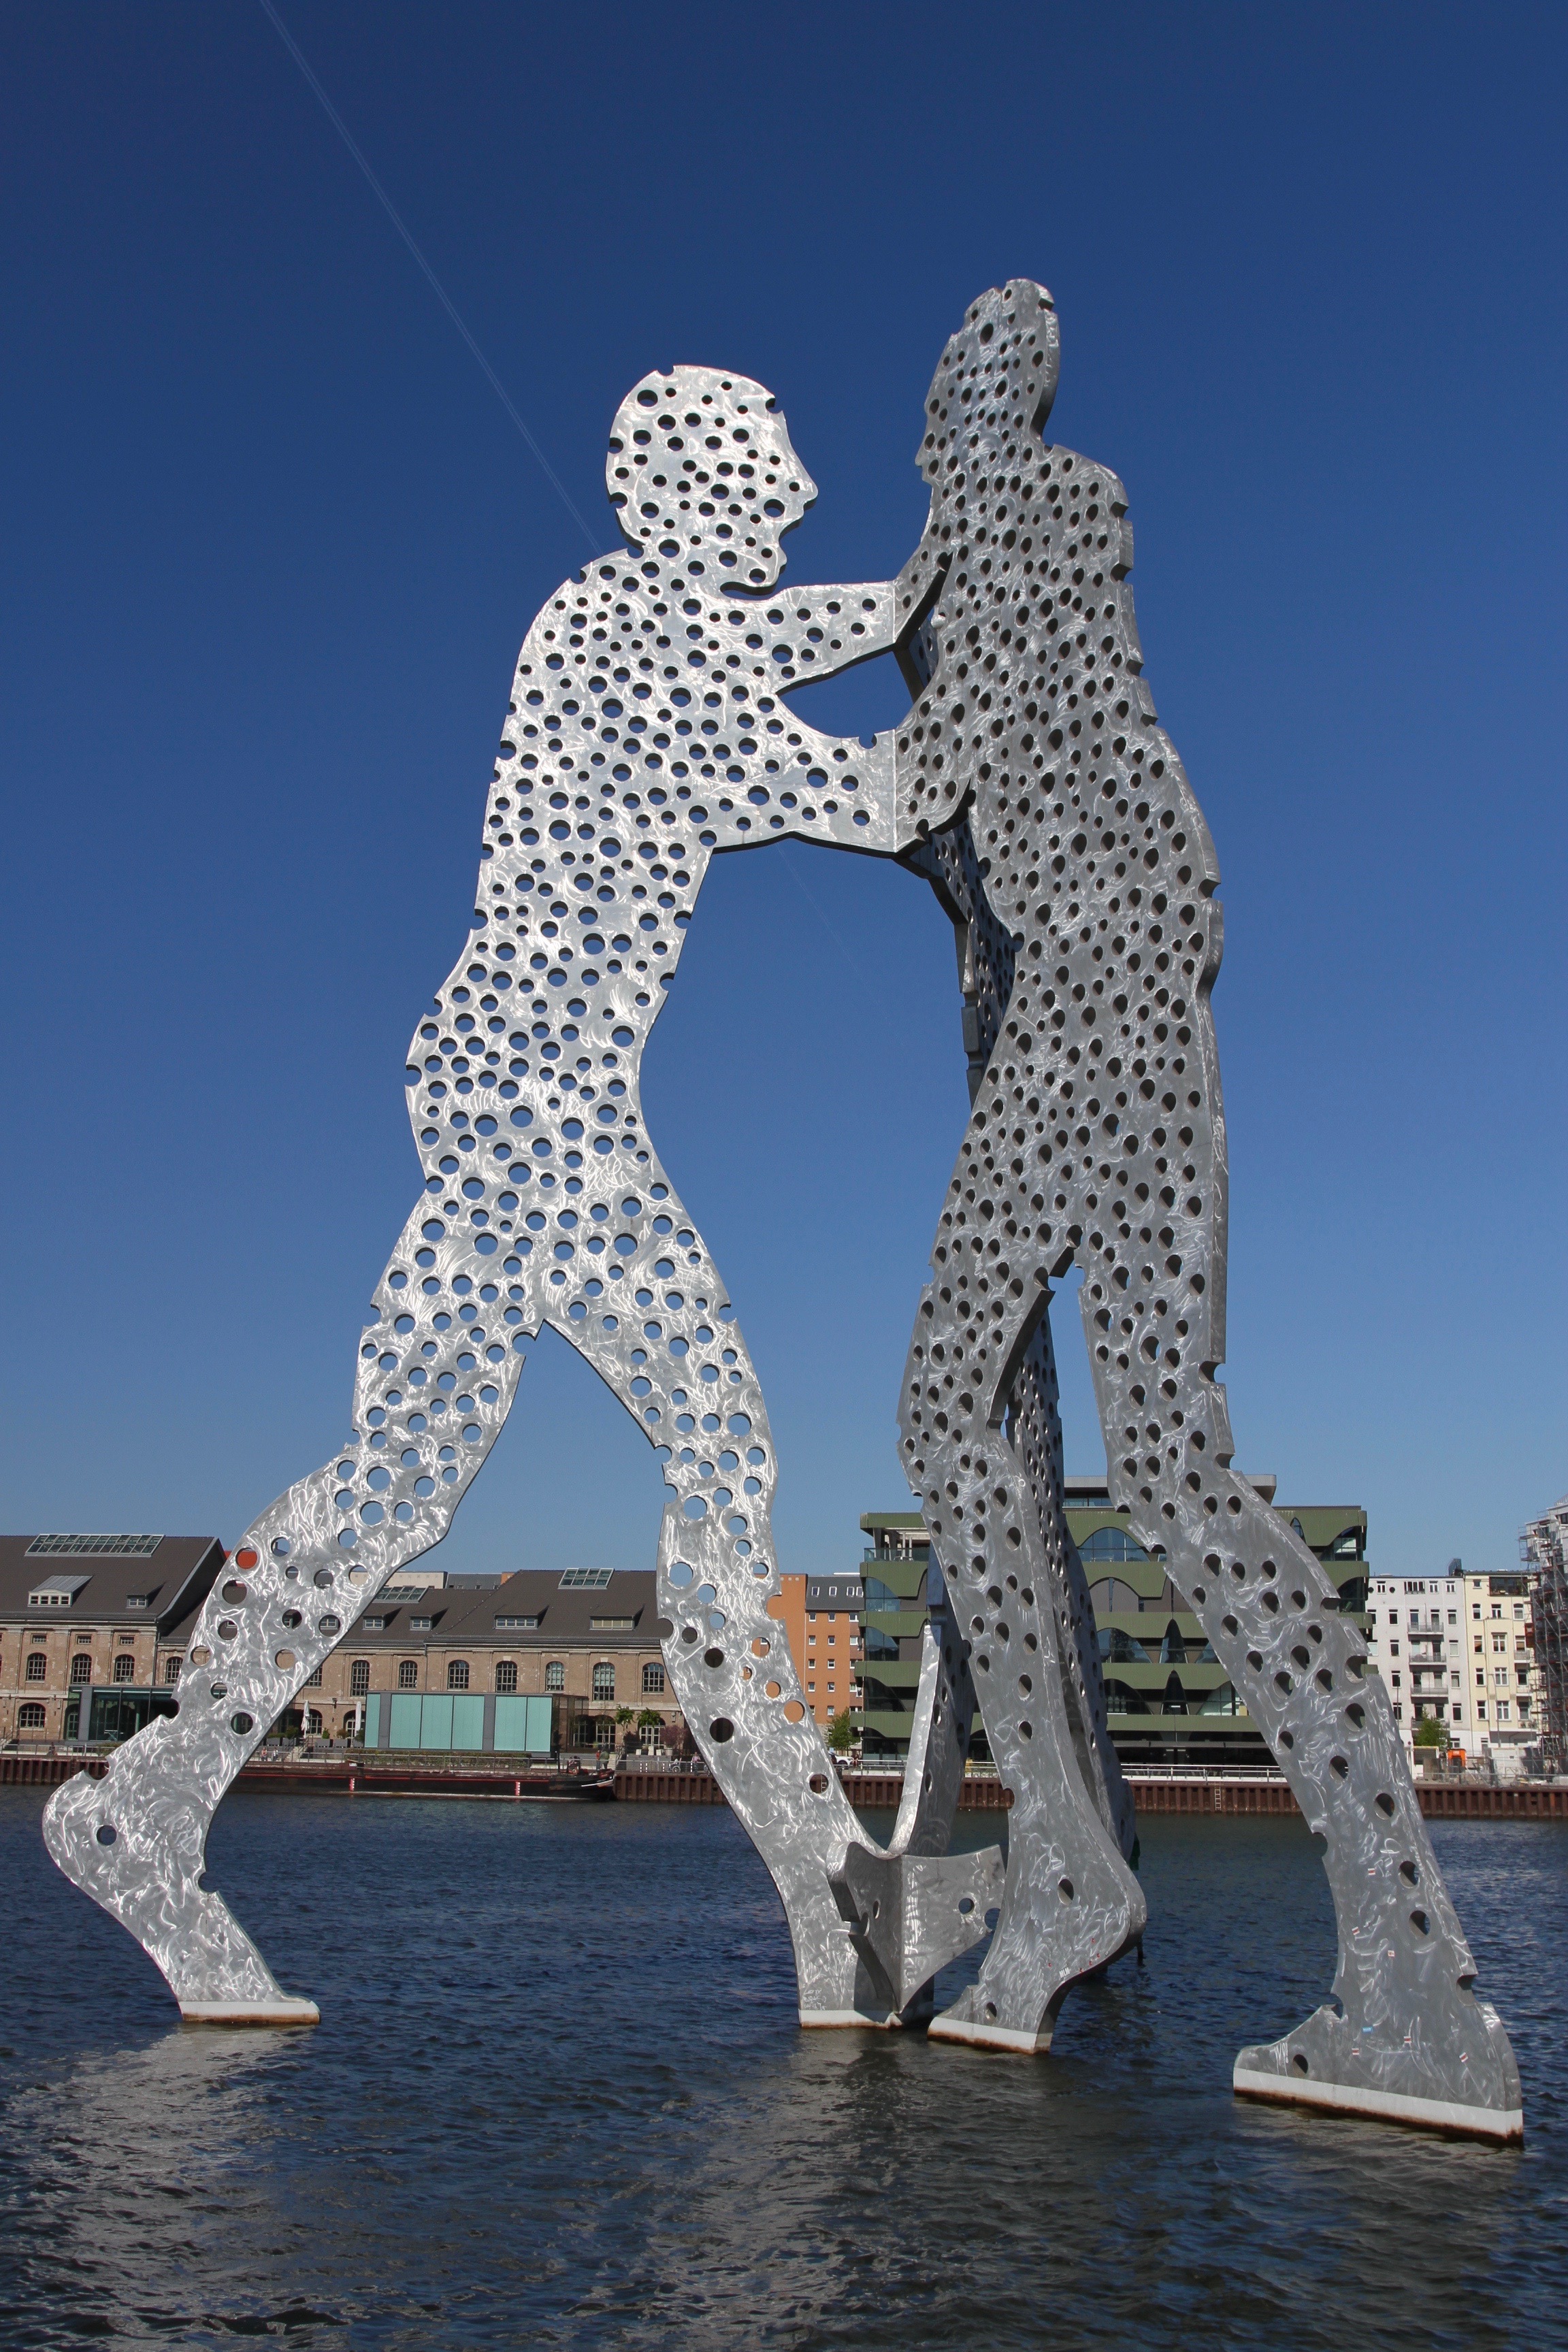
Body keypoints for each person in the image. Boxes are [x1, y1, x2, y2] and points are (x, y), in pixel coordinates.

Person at [46, 365, 995, 2026]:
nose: (790, 503)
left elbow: (792, 633)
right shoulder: (639, 650)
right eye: (769, 477)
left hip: (512, 1100)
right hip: (539, 1113)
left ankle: (161, 1792)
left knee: (400, 1484)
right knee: (721, 1452)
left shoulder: (619, 621)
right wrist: (1013, 674)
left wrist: (922, 589)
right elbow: (883, 795)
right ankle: (836, 1901)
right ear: (693, 494)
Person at [880, 279, 1520, 2135]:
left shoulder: (1011, 513)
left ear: (971, 410)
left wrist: (730, 744)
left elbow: (938, 765)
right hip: (1130, 976)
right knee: (1166, 1454)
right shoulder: (1050, 524)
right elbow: (963, 803)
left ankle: (1085, 1875)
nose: (956, 404)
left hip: (1092, 984)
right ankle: (1403, 1973)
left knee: (954, 1415)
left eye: (966, 383)